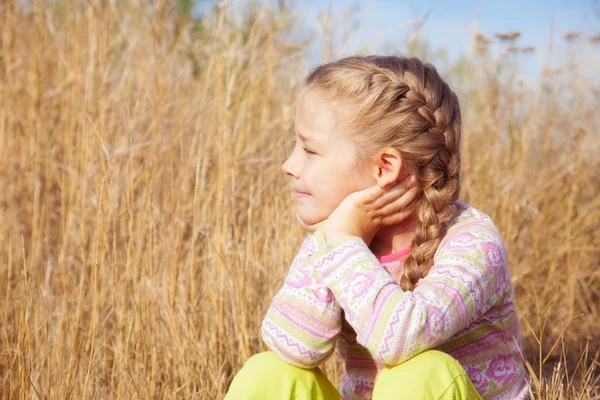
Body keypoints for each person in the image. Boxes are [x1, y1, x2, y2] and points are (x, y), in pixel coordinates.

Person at [225, 56, 529, 399]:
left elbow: (399, 341)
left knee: (419, 374)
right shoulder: (340, 237)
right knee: (268, 372)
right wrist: (331, 240)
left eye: (310, 150)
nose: (288, 165)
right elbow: (293, 345)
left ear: (384, 168)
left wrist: (341, 241)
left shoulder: (471, 240)